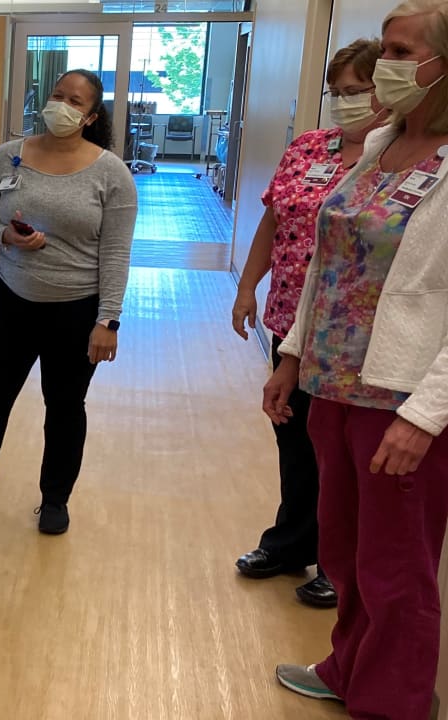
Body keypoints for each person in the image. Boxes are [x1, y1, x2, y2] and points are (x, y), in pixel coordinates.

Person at [263, 3, 448, 717]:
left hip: (400, 400)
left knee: (397, 568)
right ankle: (350, 667)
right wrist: (289, 357)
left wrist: (427, 416)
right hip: (333, 382)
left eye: (401, 52)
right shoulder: (379, 147)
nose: (384, 71)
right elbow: (325, 265)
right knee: (343, 552)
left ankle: (393, 701)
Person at [0, 69, 137, 534]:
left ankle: (55, 500)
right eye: (57, 95)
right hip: (10, 298)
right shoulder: (9, 157)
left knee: (65, 405)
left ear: (90, 116)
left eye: (75, 101)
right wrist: (5, 234)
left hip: (76, 307)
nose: (62, 105)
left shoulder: (111, 173)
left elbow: (117, 251)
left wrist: (109, 319)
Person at [231, 39, 387, 610]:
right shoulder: (307, 148)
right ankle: (290, 542)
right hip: (288, 322)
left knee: (340, 454)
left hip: (355, 337)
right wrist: (248, 287)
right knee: (293, 438)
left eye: (358, 92)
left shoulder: (395, 162)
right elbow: (274, 217)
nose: (345, 103)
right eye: (338, 93)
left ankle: (337, 563)